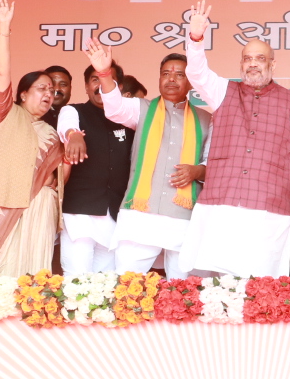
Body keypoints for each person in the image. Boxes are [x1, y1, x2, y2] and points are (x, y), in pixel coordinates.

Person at [179, 0, 290, 277]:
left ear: (272, 64)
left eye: (260, 59)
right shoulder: (223, 91)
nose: (253, 64)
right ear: (241, 63)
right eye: (247, 59)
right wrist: (195, 38)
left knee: (257, 284)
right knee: (213, 282)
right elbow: (196, 72)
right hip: (222, 202)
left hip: (267, 207)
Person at [84, 43, 209, 278]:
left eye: (179, 74)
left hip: (183, 215)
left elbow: (214, 162)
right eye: (166, 74)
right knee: (127, 285)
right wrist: (104, 74)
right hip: (140, 214)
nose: (171, 79)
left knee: (183, 290)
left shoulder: (206, 119)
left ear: (191, 81)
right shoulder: (142, 108)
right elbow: (115, 107)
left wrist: (197, 171)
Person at [0, 0, 64, 279]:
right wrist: (4, 28)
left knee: (35, 278)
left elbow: (59, 175)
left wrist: (50, 184)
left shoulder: (52, 132)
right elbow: (2, 71)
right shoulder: (6, 114)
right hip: (4, 207)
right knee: (1, 277)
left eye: (52, 91)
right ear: (24, 94)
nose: (48, 94)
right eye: (42, 88)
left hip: (40, 209)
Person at [54, 59, 135, 274]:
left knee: (106, 283)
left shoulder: (128, 118)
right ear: (86, 86)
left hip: (115, 212)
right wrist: (73, 135)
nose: (100, 85)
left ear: (118, 87)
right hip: (80, 211)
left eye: (107, 80)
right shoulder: (74, 111)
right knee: (76, 280)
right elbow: (67, 125)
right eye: (94, 80)